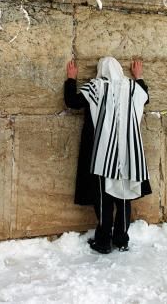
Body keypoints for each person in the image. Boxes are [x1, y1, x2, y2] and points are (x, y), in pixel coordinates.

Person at [64, 57, 152, 254]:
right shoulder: (131, 87)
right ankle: (121, 239)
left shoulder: (96, 86)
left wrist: (71, 79)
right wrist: (138, 77)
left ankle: (103, 241)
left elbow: (72, 101)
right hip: (128, 153)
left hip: (104, 153)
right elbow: (145, 96)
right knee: (123, 197)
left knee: (104, 197)